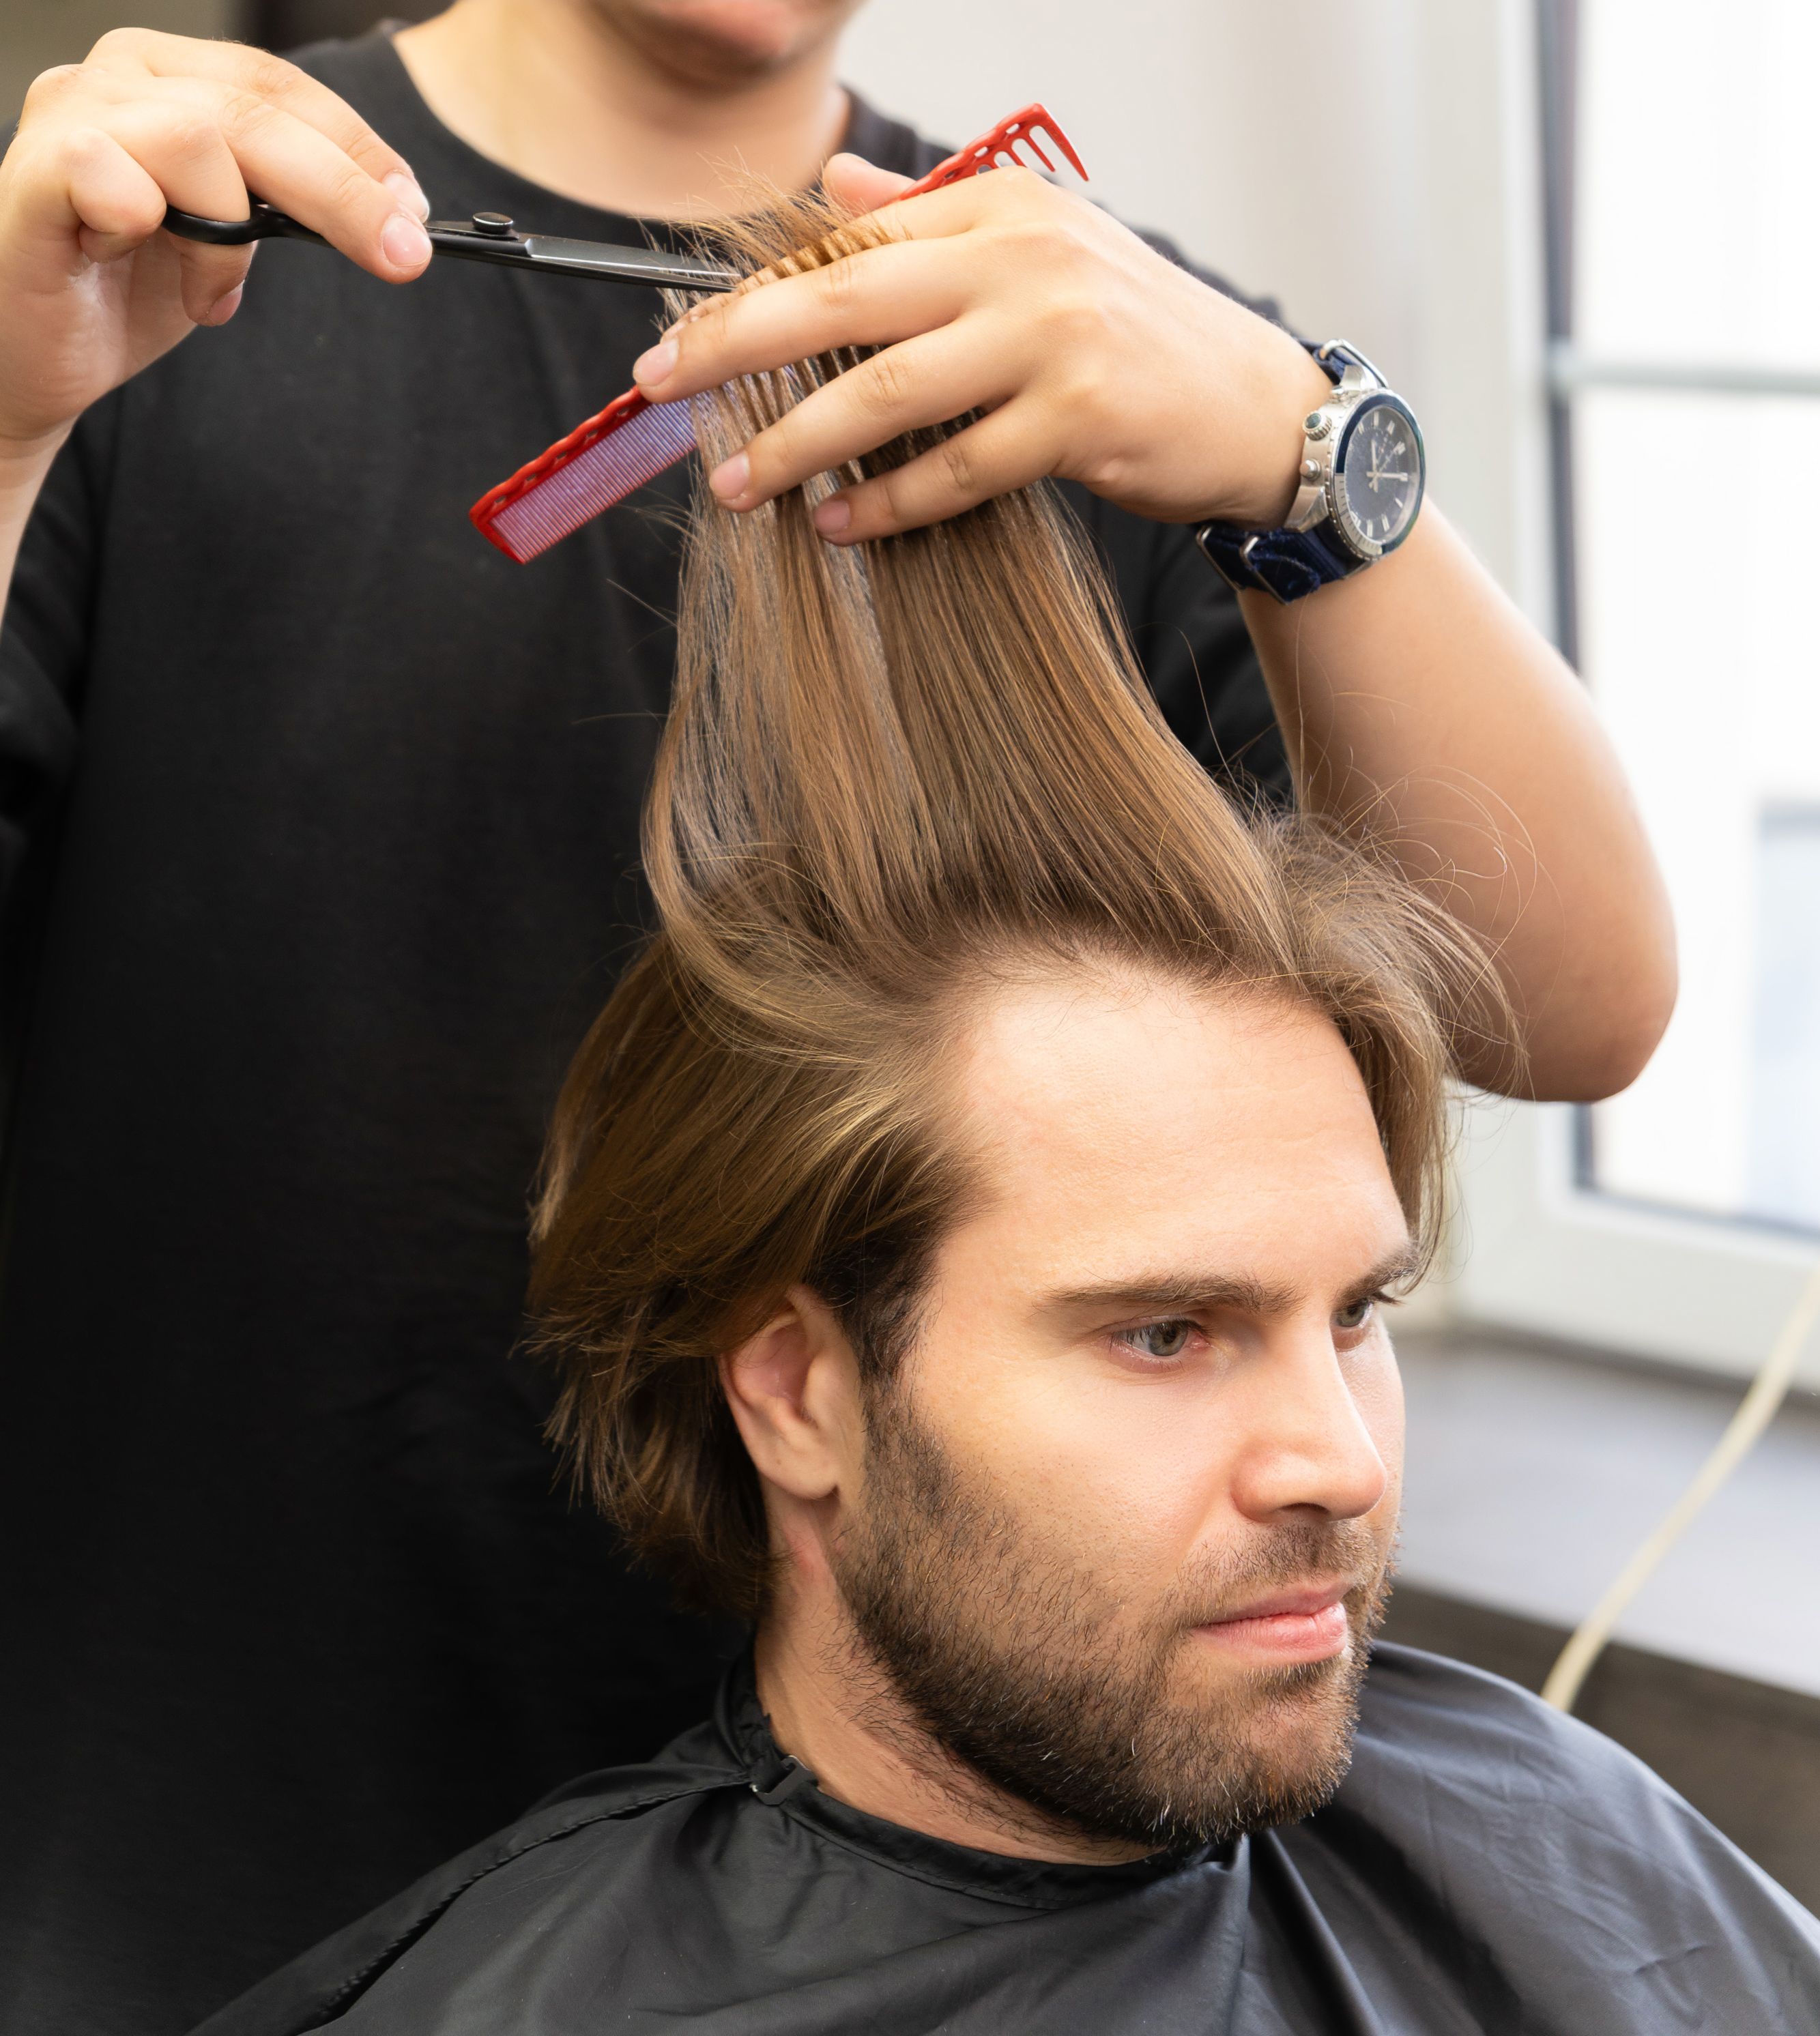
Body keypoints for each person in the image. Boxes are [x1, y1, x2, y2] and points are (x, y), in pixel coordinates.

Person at [0, 3, 1675, 2029]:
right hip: (198, 1839)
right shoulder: (141, 287)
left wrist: (1310, 455)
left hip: (975, 1821)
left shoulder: (1102, 352)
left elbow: (1564, 1013)